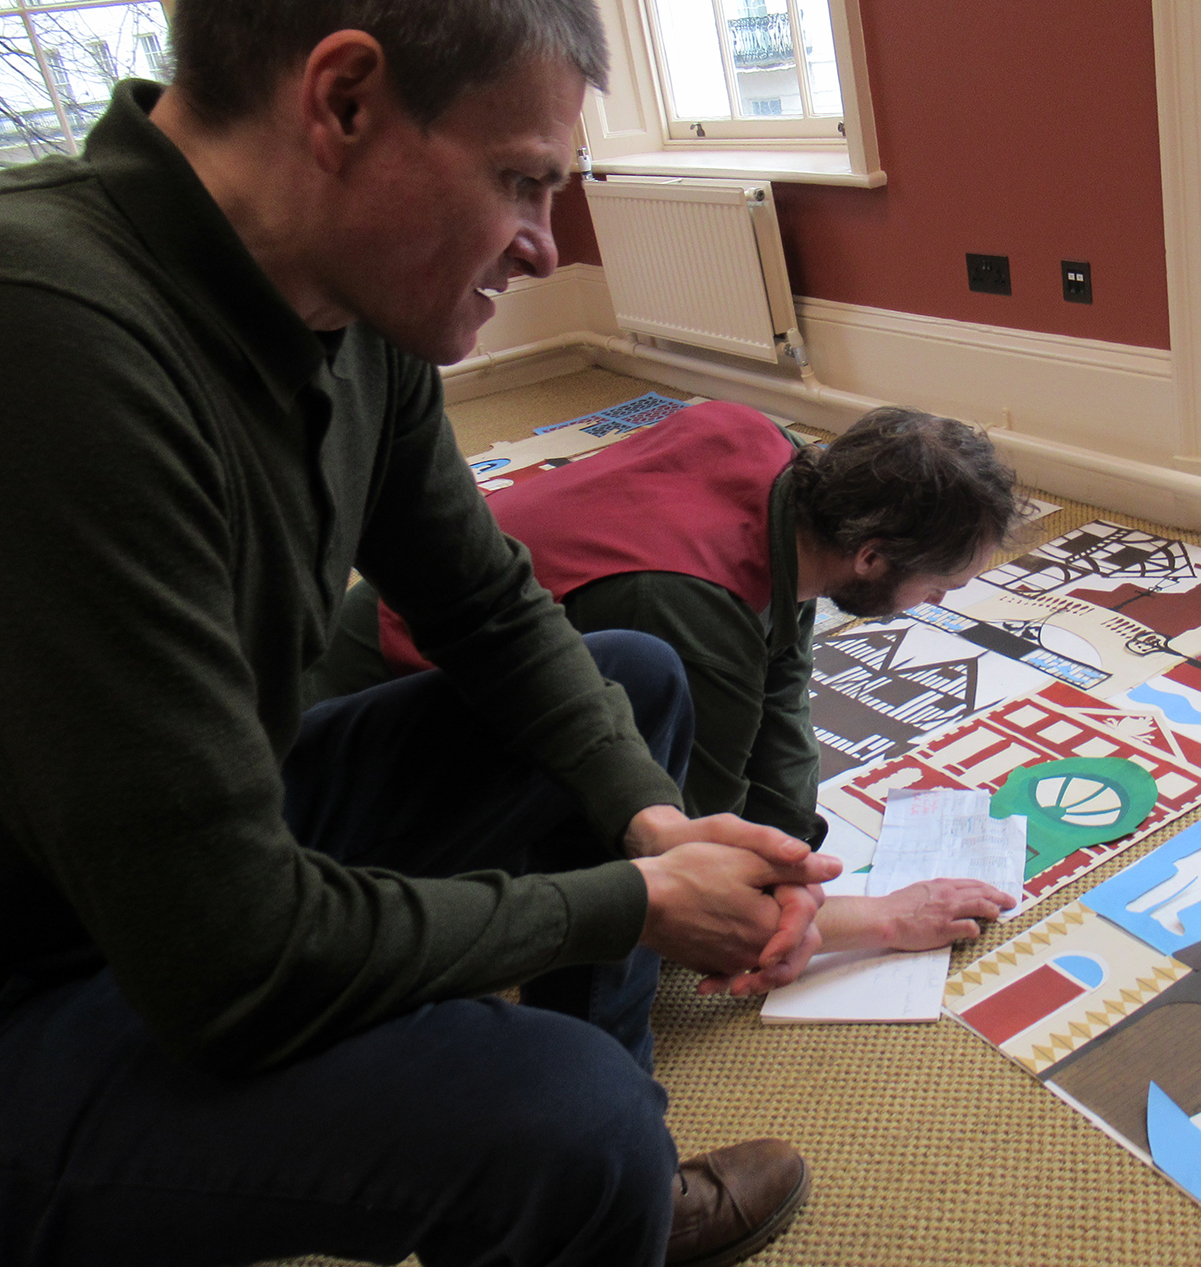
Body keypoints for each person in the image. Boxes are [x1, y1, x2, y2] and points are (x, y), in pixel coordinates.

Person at [0, 2, 858, 1263]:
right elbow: (231, 965)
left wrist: (652, 822)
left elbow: (487, 606)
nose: (547, 250)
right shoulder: (50, 334)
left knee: (634, 683)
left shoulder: (346, 312)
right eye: (523, 181)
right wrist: (628, 901)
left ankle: (612, 1205)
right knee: (572, 1126)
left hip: (164, 850)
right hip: (48, 967)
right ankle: (599, 1174)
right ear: (343, 101)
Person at [311, 400, 1027, 962]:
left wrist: (790, 845)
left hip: (397, 635)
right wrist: (874, 917)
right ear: (871, 557)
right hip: (364, 727)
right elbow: (690, 867)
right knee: (613, 846)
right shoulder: (689, 608)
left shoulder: (768, 452)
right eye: (941, 585)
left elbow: (782, 674)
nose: (939, 603)